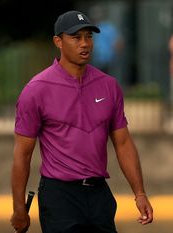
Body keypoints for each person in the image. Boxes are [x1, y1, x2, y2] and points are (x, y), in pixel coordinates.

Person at [10, 11, 153, 233]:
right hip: (59, 197)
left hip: (99, 196)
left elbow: (123, 143)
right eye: (76, 37)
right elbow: (23, 153)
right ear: (58, 41)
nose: (84, 43)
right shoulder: (36, 90)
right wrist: (19, 208)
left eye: (88, 36)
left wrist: (140, 193)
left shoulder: (109, 86)